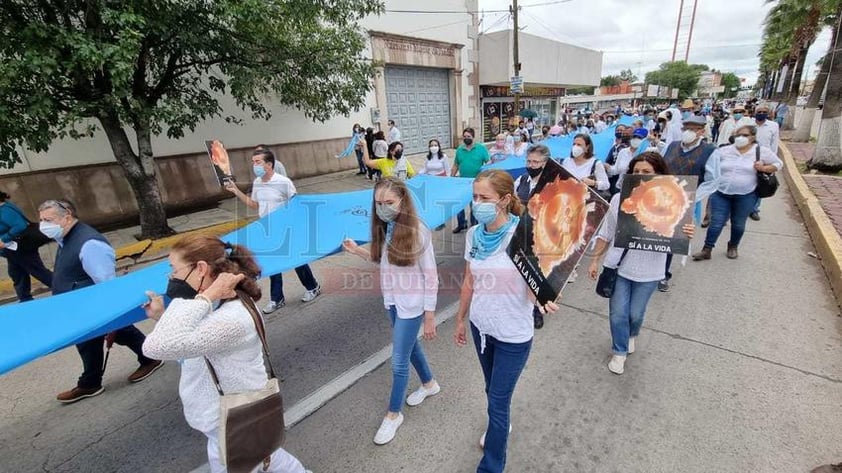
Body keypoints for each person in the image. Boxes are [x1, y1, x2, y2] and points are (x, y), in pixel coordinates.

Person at [141, 235, 313, 473]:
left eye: (174, 269)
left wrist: (206, 296)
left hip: (232, 419)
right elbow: (192, 348)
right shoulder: (221, 303)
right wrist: (163, 316)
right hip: (233, 416)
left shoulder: (232, 317)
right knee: (272, 459)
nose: (171, 278)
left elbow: (155, 347)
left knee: (266, 460)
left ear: (201, 268)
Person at [453, 169, 559, 473]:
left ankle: (491, 467)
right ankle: (501, 427)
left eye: (484, 197)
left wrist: (544, 297)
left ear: (504, 200)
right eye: (474, 197)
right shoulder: (474, 235)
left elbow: (539, 284)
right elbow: (469, 282)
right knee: (492, 391)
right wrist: (460, 319)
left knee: (498, 401)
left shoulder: (525, 233)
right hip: (481, 328)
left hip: (513, 334)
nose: (477, 203)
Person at [342, 178, 440, 445]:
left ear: (402, 201)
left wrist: (429, 315)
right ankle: (430, 384)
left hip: (413, 305)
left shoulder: (418, 230)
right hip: (393, 302)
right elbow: (385, 260)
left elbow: (431, 277)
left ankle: (394, 414)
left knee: (398, 361)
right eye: (379, 203)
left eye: (389, 203)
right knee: (411, 349)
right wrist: (358, 251)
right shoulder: (386, 227)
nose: (384, 208)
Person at [38, 199, 162, 403]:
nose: (44, 225)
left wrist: (112, 313)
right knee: (90, 340)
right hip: (81, 307)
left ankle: (94, 380)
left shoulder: (89, 244)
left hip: (94, 306)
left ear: (67, 217)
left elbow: (106, 283)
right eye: (42, 220)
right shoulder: (66, 238)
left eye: (48, 220)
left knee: (114, 333)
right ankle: (92, 381)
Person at [588, 152, 695, 375]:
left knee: (635, 314)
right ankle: (619, 351)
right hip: (619, 267)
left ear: (659, 174)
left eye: (647, 172)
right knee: (618, 313)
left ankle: (632, 335)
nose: (640, 175)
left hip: (650, 272)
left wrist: (686, 233)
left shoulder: (673, 201)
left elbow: (678, 242)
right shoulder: (619, 199)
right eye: (636, 171)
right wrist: (596, 259)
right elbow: (606, 232)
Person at [226, 148, 321, 313]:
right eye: (253, 162)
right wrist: (236, 191)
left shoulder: (283, 182)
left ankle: (313, 286)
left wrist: (294, 226)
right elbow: (254, 204)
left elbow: (296, 205)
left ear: (269, 164)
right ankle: (277, 298)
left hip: (286, 229)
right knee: (273, 263)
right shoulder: (257, 182)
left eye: (258, 162)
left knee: (296, 260)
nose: (254, 165)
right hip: (267, 229)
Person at [693, 125, 783, 261]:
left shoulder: (760, 151)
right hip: (721, 193)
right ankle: (707, 249)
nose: (740, 138)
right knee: (716, 222)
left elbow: (778, 164)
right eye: (738, 135)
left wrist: (764, 167)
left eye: (745, 135)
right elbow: (710, 166)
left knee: (738, 223)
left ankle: (733, 246)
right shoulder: (724, 151)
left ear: (753, 137)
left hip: (746, 195)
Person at [658, 115, 717, 291]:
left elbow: (713, 180)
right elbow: (659, 166)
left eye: (693, 129)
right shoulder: (672, 146)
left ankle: (663, 275)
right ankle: (651, 270)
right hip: (663, 197)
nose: (688, 132)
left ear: (702, 131)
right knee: (654, 233)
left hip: (685, 201)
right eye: (686, 128)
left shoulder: (709, 151)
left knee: (671, 237)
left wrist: (692, 197)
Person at [513, 145, 552, 330]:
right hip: (522, 233)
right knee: (521, 272)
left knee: (538, 275)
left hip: (543, 237)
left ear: (545, 164)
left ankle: (537, 309)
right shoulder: (520, 180)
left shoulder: (553, 185)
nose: (531, 164)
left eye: (535, 162)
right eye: (529, 161)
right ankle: (521, 306)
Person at [0, 191, 52, 302]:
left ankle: (64, 286)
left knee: (37, 271)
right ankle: (25, 299)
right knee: (17, 273)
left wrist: (3, 239)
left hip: (20, 247)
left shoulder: (4, 210)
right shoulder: (6, 207)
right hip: (12, 249)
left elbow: (20, 225)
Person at [451, 127, 490, 234]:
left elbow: (488, 163)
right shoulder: (460, 150)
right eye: (464, 137)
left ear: (473, 137)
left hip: (476, 182)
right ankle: (461, 223)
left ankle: (474, 225)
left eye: (468, 137)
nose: (466, 138)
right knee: (460, 205)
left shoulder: (481, 149)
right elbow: (456, 164)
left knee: (474, 205)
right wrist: (451, 178)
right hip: (462, 182)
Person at [749, 104, 780, 221]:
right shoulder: (749, 124)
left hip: (763, 159)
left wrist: (770, 163)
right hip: (748, 156)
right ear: (755, 112)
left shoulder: (773, 126)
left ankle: (754, 210)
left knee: (760, 183)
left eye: (764, 111)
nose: (761, 113)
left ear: (767, 113)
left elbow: (774, 144)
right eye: (759, 111)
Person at [606, 128, 648, 195]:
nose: (636, 139)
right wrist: (608, 167)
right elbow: (616, 170)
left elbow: (663, 149)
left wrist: (656, 141)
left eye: (639, 138)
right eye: (634, 137)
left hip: (637, 190)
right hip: (620, 188)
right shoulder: (623, 152)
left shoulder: (646, 153)